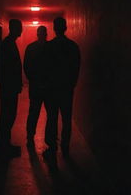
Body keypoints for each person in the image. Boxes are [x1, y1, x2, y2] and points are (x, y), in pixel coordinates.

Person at [43, 17, 80, 159]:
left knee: (52, 117)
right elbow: (76, 67)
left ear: (54, 28)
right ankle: (65, 147)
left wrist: (45, 85)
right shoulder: (73, 46)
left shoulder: (49, 46)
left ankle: (52, 147)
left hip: (52, 89)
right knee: (66, 118)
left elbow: (44, 69)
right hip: (66, 88)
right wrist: (72, 83)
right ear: (65, 28)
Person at [0, 19, 23, 157]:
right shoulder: (8, 45)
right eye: (19, 27)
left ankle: (4, 144)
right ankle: (3, 147)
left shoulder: (9, 43)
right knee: (8, 115)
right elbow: (8, 68)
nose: (21, 30)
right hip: (8, 87)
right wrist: (13, 84)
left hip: (9, 87)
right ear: (13, 28)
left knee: (8, 115)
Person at [24, 26, 48, 147]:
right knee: (51, 114)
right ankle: (50, 140)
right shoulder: (51, 48)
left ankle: (30, 135)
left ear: (37, 34)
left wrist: (33, 80)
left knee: (33, 111)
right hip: (49, 87)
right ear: (46, 34)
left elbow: (26, 67)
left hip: (35, 86)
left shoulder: (30, 48)